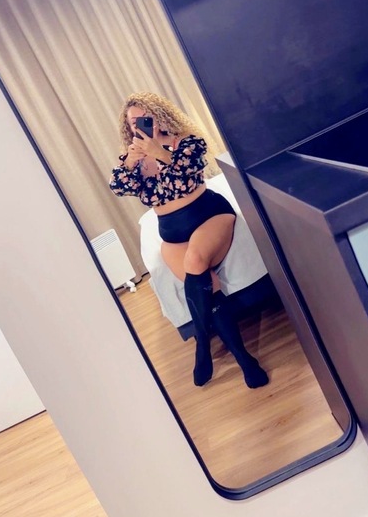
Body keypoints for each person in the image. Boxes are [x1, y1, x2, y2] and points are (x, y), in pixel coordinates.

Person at [109, 92, 269, 388]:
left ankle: (204, 344)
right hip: (172, 234)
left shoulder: (186, 141)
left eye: (146, 117)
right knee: (208, 282)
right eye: (133, 122)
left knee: (195, 262)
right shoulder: (134, 159)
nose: (140, 125)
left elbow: (190, 168)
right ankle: (241, 356)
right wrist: (130, 161)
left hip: (209, 215)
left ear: (160, 116)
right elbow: (118, 187)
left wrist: (159, 151)